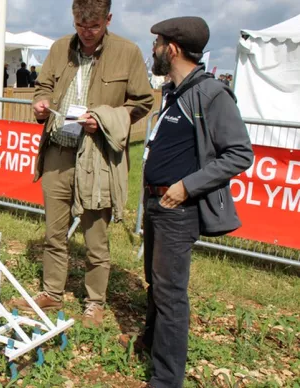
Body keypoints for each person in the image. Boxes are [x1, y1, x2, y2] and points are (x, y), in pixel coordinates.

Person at [118, 17, 253, 388]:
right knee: (155, 283)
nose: (154, 50)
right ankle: (151, 342)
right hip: (158, 205)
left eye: (157, 43)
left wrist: (187, 186)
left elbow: (240, 153)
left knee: (171, 293)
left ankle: (166, 379)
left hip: (179, 210)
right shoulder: (175, 91)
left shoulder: (210, 94)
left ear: (172, 48)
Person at [9, 0, 154, 329]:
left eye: (94, 26)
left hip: (97, 157)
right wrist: (40, 104)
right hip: (58, 153)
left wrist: (105, 120)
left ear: (108, 19)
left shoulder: (127, 52)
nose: (86, 33)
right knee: (54, 232)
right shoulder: (60, 48)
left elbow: (143, 101)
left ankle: (94, 303)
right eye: (80, 25)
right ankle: (51, 291)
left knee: (95, 237)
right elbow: (43, 86)